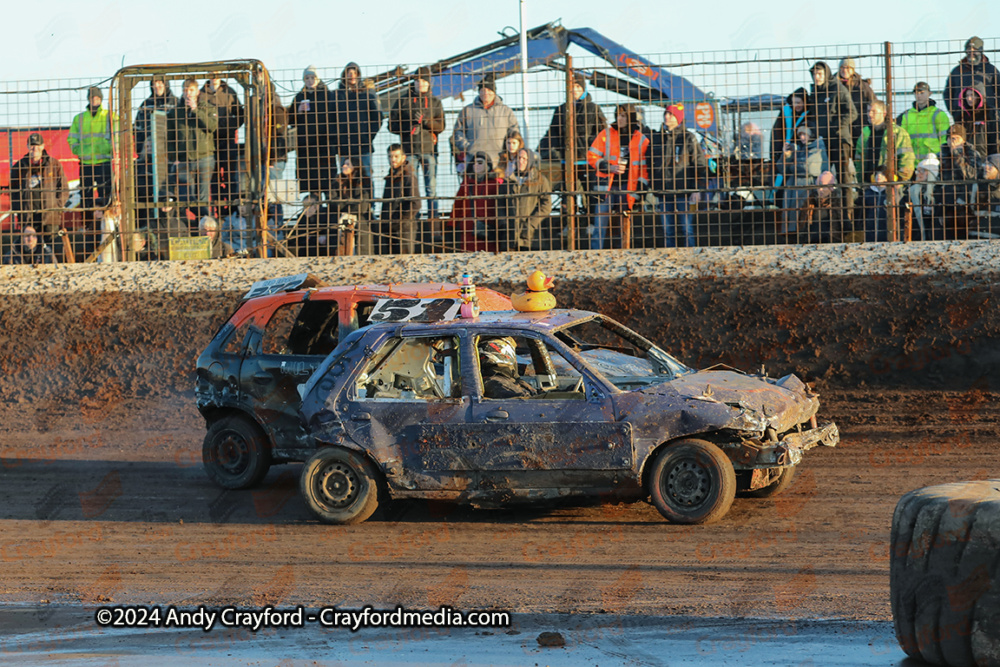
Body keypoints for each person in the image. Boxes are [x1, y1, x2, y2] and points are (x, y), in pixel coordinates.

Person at [587, 103, 649, 249]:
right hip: (606, 189)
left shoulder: (641, 139)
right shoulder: (606, 134)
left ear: (630, 117)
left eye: (623, 116)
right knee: (599, 227)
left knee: (625, 227)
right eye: (618, 115)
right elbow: (591, 156)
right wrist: (608, 167)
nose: (619, 118)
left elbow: (645, 170)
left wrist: (639, 192)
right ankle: (596, 255)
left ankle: (625, 254)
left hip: (627, 189)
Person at [387, 66, 445, 222]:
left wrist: (426, 122)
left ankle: (433, 220)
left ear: (429, 83)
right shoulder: (403, 101)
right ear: (413, 82)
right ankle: (413, 219)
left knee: (431, 188)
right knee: (411, 188)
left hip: (429, 151)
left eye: (424, 81)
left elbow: (441, 126)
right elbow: (391, 125)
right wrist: (408, 126)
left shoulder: (435, 102)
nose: (421, 84)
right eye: (418, 81)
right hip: (409, 151)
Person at [648, 104, 707, 248]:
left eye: (671, 114)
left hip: (684, 191)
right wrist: (653, 185)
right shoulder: (657, 138)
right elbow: (649, 163)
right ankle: (670, 257)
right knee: (667, 231)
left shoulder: (688, 138)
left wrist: (697, 189)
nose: (667, 117)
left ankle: (691, 256)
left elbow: (699, 164)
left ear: (678, 118)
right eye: (666, 113)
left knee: (687, 229)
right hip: (663, 191)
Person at [808, 62, 858, 211]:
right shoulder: (815, 93)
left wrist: (835, 127)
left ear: (826, 74)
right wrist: (813, 131)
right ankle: (828, 212)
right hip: (823, 142)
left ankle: (847, 213)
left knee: (844, 179)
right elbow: (815, 117)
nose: (816, 77)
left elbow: (852, 113)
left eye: (819, 74)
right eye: (814, 74)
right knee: (824, 178)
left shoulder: (837, 88)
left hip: (840, 140)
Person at [167, 78, 219, 218]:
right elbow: (169, 138)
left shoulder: (207, 108)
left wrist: (195, 110)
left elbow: (212, 126)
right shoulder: (175, 112)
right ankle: (191, 225)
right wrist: (174, 158)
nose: (188, 93)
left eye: (191, 90)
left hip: (204, 157)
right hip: (183, 160)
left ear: (197, 92)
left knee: (203, 197)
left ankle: (205, 225)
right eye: (185, 90)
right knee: (185, 197)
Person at [9, 133, 68, 252]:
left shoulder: (54, 164)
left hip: (50, 216)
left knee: (53, 249)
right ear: (27, 146)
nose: (34, 148)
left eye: (37, 145)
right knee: (29, 250)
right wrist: (20, 211)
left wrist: (56, 207)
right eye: (32, 145)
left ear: (42, 146)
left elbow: (64, 189)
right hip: (28, 218)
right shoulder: (19, 167)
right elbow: (13, 192)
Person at [450, 74, 519, 172]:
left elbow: (514, 132)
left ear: (494, 92)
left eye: (489, 90)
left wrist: (507, 149)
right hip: (474, 161)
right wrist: (467, 147)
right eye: (483, 90)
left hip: (500, 161)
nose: (486, 93)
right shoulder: (467, 111)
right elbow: (458, 132)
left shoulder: (506, 111)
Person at [69, 86, 118, 212]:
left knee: (106, 197)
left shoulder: (110, 116)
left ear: (101, 99)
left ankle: (107, 221)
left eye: (97, 98)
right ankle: (88, 222)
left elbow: (118, 136)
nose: (94, 100)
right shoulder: (79, 118)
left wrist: (111, 149)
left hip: (104, 162)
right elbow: (72, 139)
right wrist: (79, 151)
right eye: (92, 98)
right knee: (86, 198)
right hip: (86, 163)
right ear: (88, 99)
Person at [288, 66, 333, 199]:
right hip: (306, 145)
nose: (310, 80)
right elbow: (291, 120)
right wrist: (298, 111)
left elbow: (334, 117)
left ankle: (330, 208)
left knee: (328, 182)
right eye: (307, 78)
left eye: (313, 77)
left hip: (324, 143)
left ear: (318, 78)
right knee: (311, 183)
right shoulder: (299, 96)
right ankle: (313, 208)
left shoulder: (327, 95)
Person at [331, 62, 383, 179]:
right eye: (349, 73)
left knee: (366, 178)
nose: (352, 75)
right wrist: (337, 139)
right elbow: (330, 120)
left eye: (355, 73)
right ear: (344, 75)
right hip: (344, 146)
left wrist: (368, 136)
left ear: (359, 75)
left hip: (363, 145)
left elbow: (378, 117)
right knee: (345, 180)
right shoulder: (336, 95)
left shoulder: (368, 93)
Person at [201, 74, 245, 210]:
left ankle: (232, 209)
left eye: (217, 73)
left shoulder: (229, 92)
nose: (214, 77)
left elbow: (240, 114)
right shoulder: (201, 94)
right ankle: (218, 210)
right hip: (209, 141)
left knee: (230, 175)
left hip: (228, 140)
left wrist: (230, 126)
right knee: (213, 177)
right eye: (211, 74)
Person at [134, 76, 179, 209]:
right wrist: (141, 150)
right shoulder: (146, 104)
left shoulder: (176, 103)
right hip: (149, 154)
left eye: (160, 83)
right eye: (154, 83)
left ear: (166, 84)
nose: (157, 86)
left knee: (169, 185)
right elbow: (137, 129)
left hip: (169, 153)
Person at [448, 151, 503, 252]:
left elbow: (501, 206)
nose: (476, 165)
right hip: (469, 229)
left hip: (489, 229)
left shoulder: (495, 184)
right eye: (474, 163)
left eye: (480, 162)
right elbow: (457, 205)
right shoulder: (466, 183)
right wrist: (452, 225)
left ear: (488, 166)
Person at [501, 148, 552, 251]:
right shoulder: (508, 181)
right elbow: (499, 203)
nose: (521, 161)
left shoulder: (540, 180)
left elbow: (546, 205)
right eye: (519, 158)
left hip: (531, 236)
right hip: (510, 236)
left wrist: (531, 224)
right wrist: (504, 223)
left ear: (530, 161)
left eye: (525, 159)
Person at [854, 100, 916, 184]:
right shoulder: (865, 133)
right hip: (870, 184)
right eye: (868, 111)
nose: (869, 114)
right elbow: (859, 160)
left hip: (891, 183)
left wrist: (900, 181)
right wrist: (861, 181)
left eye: (874, 111)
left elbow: (906, 159)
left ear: (884, 113)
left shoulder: (897, 133)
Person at [778, 125, 827, 231]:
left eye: (804, 134)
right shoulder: (798, 149)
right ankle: (791, 232)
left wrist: (792, 163)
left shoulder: (818, 147)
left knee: (804, 214)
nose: (802, 137)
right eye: (800, 135)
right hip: (793, 188)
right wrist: (786, 156)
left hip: (807, 186)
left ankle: (802, 231)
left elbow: (808, 167)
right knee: (791, 213)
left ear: (811, 135)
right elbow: (782, 169)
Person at [939, 124, 983, 239]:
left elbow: (970, 175)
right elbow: (939, 180)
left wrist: (957, 154)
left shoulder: (972, 153)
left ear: (963, 140)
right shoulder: (942, 154)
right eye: (950, 138)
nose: (952, 141)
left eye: (956, 138)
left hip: (966, 203)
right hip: (947, 203)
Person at [770, 87, 811, 208]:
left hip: (801, 154)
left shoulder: (810, 114)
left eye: (798, 102)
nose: (796, 105)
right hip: (786, 154)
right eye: (794, 103)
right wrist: (776, 154)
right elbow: (776, 134)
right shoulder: (785, 113)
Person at [944, 37, 999, 120]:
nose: (971, 53)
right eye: (969, 51)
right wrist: (955, 112)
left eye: (974, 50)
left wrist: (996, 112)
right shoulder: (957, 71)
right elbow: (947, 93)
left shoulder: (991, 70)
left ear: (980, 51)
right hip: (962, 116)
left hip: (988, 116)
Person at [379, 144, 420, 255]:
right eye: (390, 156)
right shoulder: (391, 177)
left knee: (405, 260)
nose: (393, 159)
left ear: (403, 157)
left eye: (396, 156)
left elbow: (415, 203)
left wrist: (399, 220)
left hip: (404, 228)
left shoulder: (408, 177)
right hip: (389, 227)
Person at [897, 82, 950, 164]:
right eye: (916, 93)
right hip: (912, 162)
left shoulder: (938, 114)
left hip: (932, 161)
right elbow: (902, 138)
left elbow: (944, 138)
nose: (918, 96)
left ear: (929, 93)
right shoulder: (907, 115)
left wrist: (943, 157)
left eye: (922, 93)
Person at [329, 158, 372, 255]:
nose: (344, 166)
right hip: (339, 221)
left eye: (348, 164)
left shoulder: (363, 181)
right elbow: (332, 202)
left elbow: (362, 206)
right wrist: (351, 203)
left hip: (361, 223)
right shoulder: (336, 182)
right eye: (344, 164)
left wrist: (344, 204)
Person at [837, 57, 876, 152]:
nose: (844, 70)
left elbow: (874, 102)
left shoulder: (862, 86)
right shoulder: (833, 85)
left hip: (860, 127)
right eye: (842, 67)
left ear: (853, 69)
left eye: (848, 67)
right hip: (841, 128)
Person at [799, 170, 845, 244]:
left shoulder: (837, 203)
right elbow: (802, 224)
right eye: (819, 186)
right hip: (811, 242)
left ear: (830, 188)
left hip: (833, 242)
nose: (820, 190)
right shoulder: (810, 201)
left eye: (824, 187)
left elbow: (844, 225)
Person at [955, 83, 999, 158]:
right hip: (968, 157)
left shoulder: (990, 112)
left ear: (980, 96)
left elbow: (995, 137)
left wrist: (994, 157)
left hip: (987, 156)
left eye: (972, 95)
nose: (969, 98)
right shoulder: (961, 116)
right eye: (967, 95)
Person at [909, 154, 942, 241]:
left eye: (922, 171)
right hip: (917, 235)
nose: (917, 174)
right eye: (917, 171)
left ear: (930, 173)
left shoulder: (940, 190)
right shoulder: (912, 191)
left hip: (937, 236)